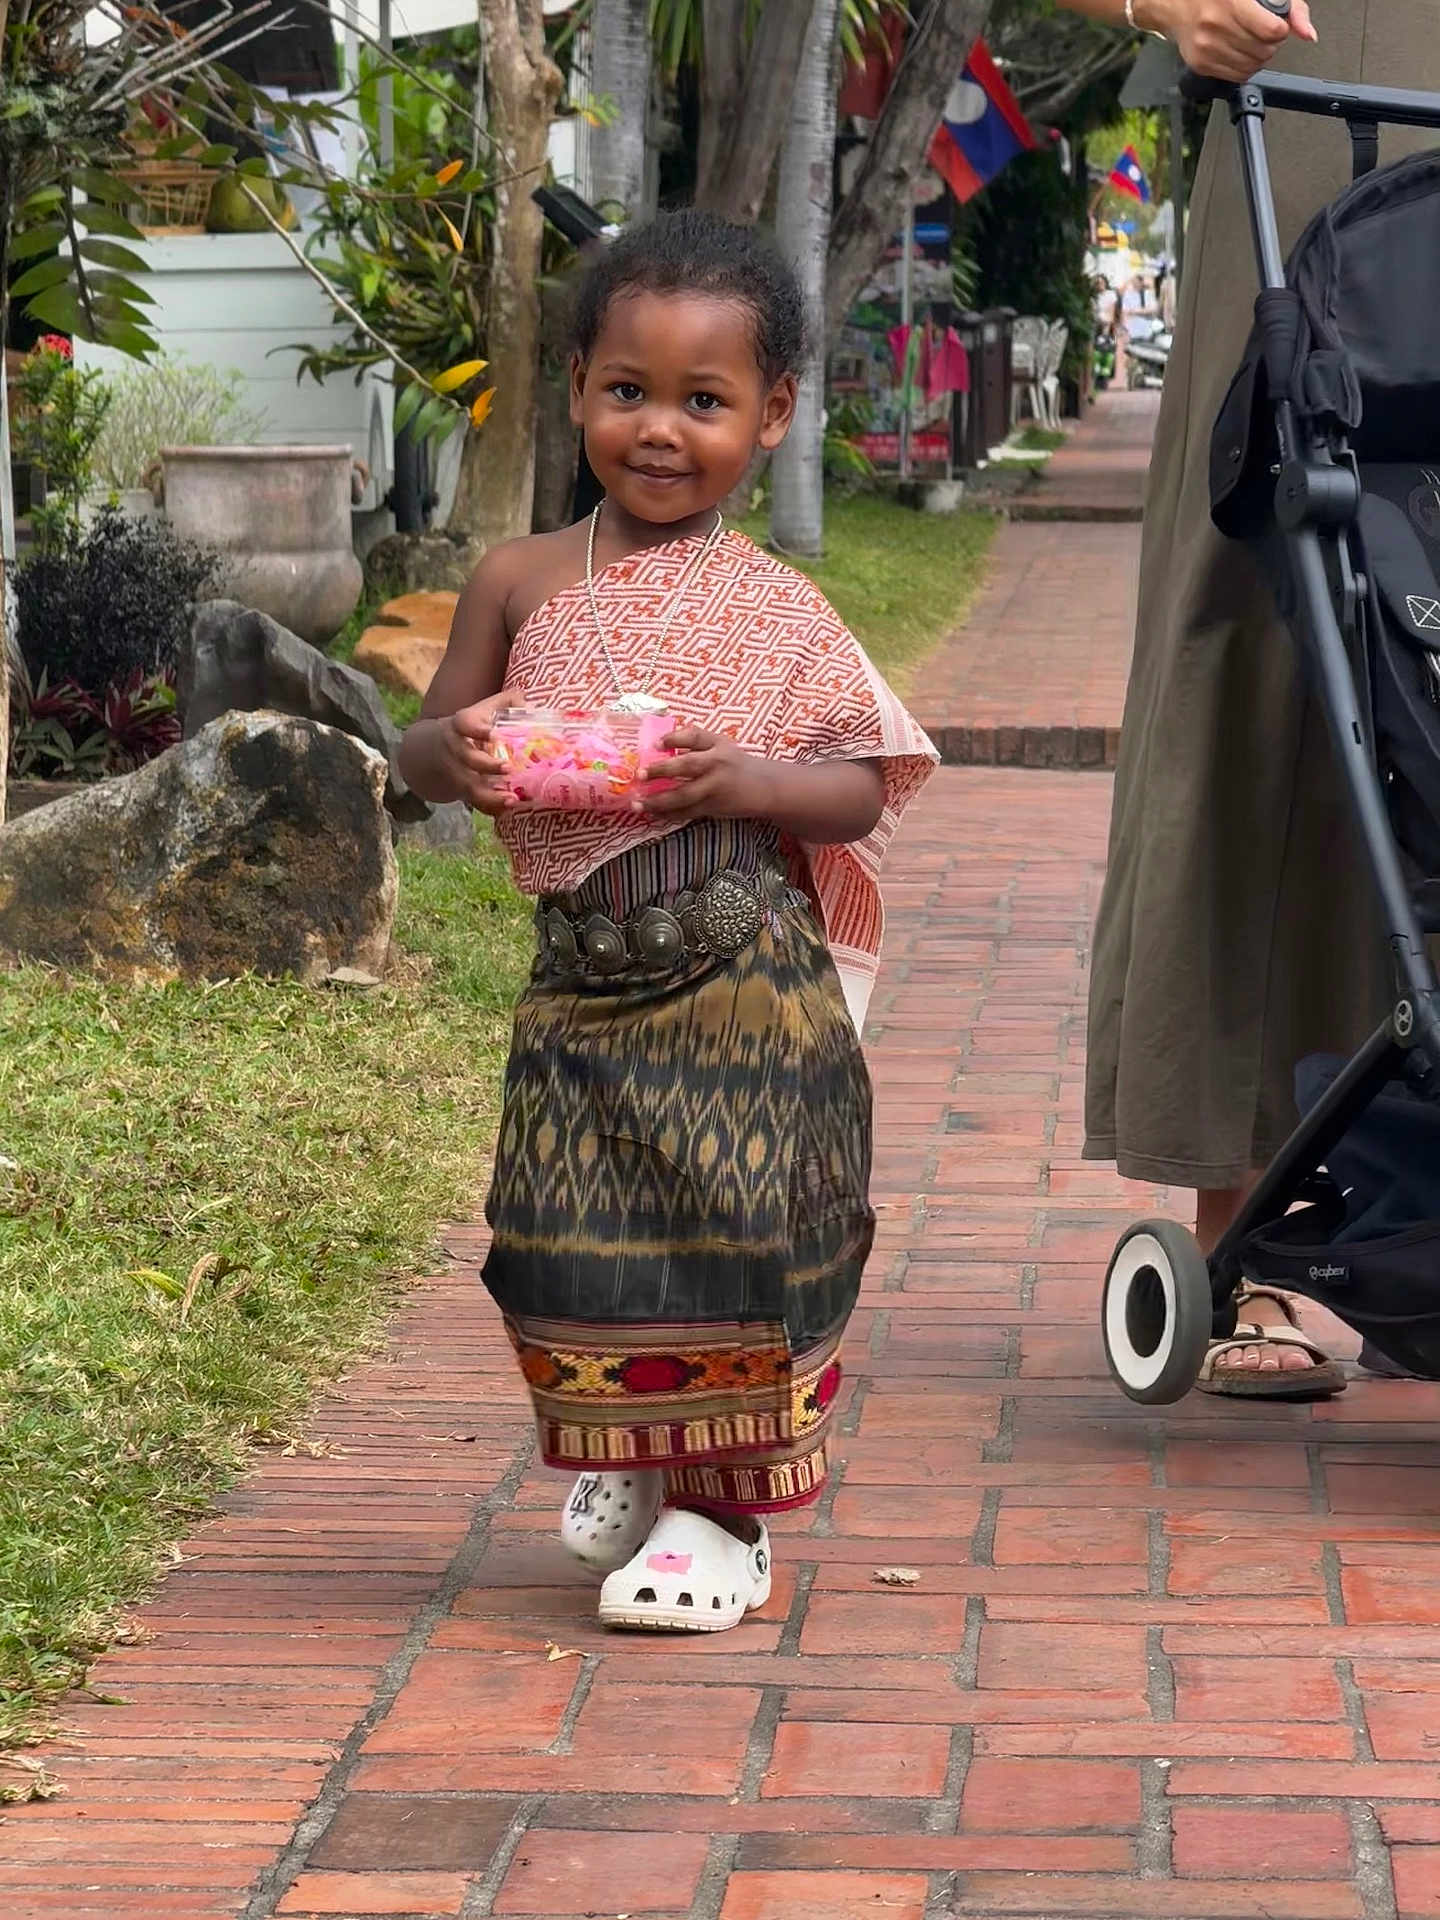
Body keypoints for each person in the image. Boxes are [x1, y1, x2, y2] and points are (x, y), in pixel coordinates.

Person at [398, 209, 935, 1630]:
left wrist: (745, 776)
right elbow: (422, 745)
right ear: (574, 384)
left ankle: (723, 1517)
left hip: (737, 969)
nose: (659, 429)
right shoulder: (520, 578)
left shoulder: (780, 609)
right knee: (561, 1226)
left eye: (705, 402)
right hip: (581, 973)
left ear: (771, 418)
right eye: (628, 390)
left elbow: (861, 790)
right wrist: (447, 754)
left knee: (733, 1234)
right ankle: (633, 1457)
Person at [1060, 0, 1435, 1394]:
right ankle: (1248, 1241)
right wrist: (1163, 10)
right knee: (1281, 631)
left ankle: (1415, 1240)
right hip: (1312, 132)